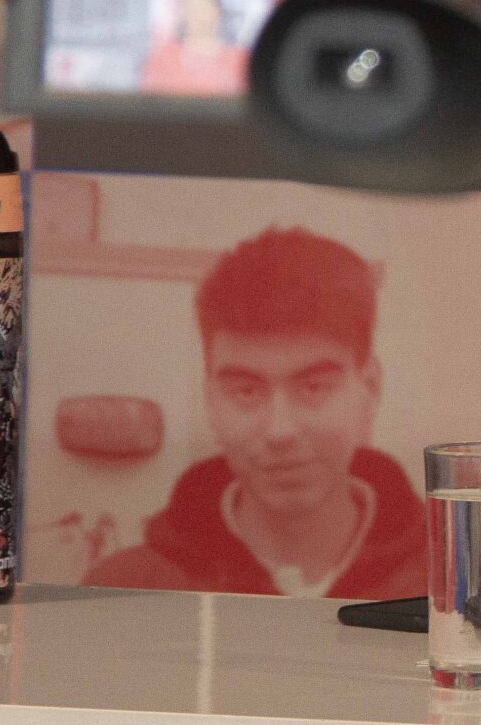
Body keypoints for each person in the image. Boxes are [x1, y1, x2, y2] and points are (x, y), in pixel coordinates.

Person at [85, 227, 427, 598]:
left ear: (370, 388)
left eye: (313, 387)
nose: (279, 430)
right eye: (246, 391)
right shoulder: (121, 589)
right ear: (210, 398)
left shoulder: (455, 586)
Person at [138, 0, 249, 98]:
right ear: (181, 14)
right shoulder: (162, 59)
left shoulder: (240, 60)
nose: (198, 15)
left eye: (205, 7)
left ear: (218, 11)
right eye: (192, 8)